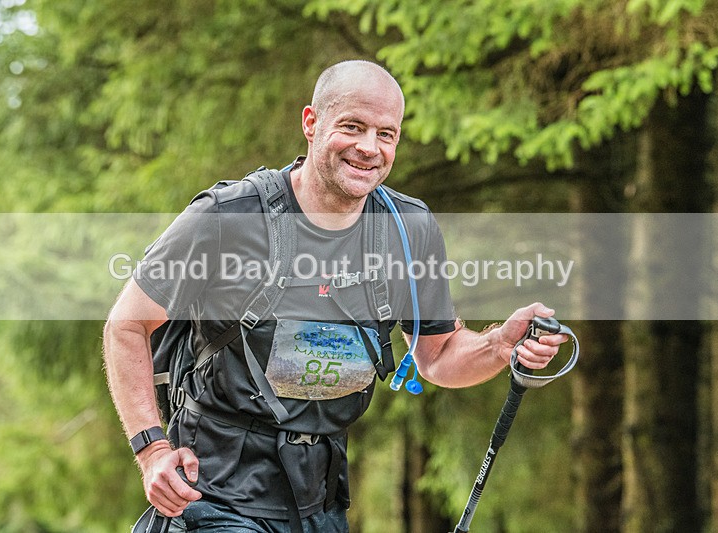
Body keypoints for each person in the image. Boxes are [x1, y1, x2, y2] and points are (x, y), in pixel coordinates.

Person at [103, 60, 568, 532]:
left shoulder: (408, 229)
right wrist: (152, 449)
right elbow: (127, 324)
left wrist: (498, 345)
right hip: (214, 493)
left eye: (386, 135)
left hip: (321, 503)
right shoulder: (229, 215)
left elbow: (438, 356)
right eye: (352, 127)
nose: (370, 148)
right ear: (311, 123)